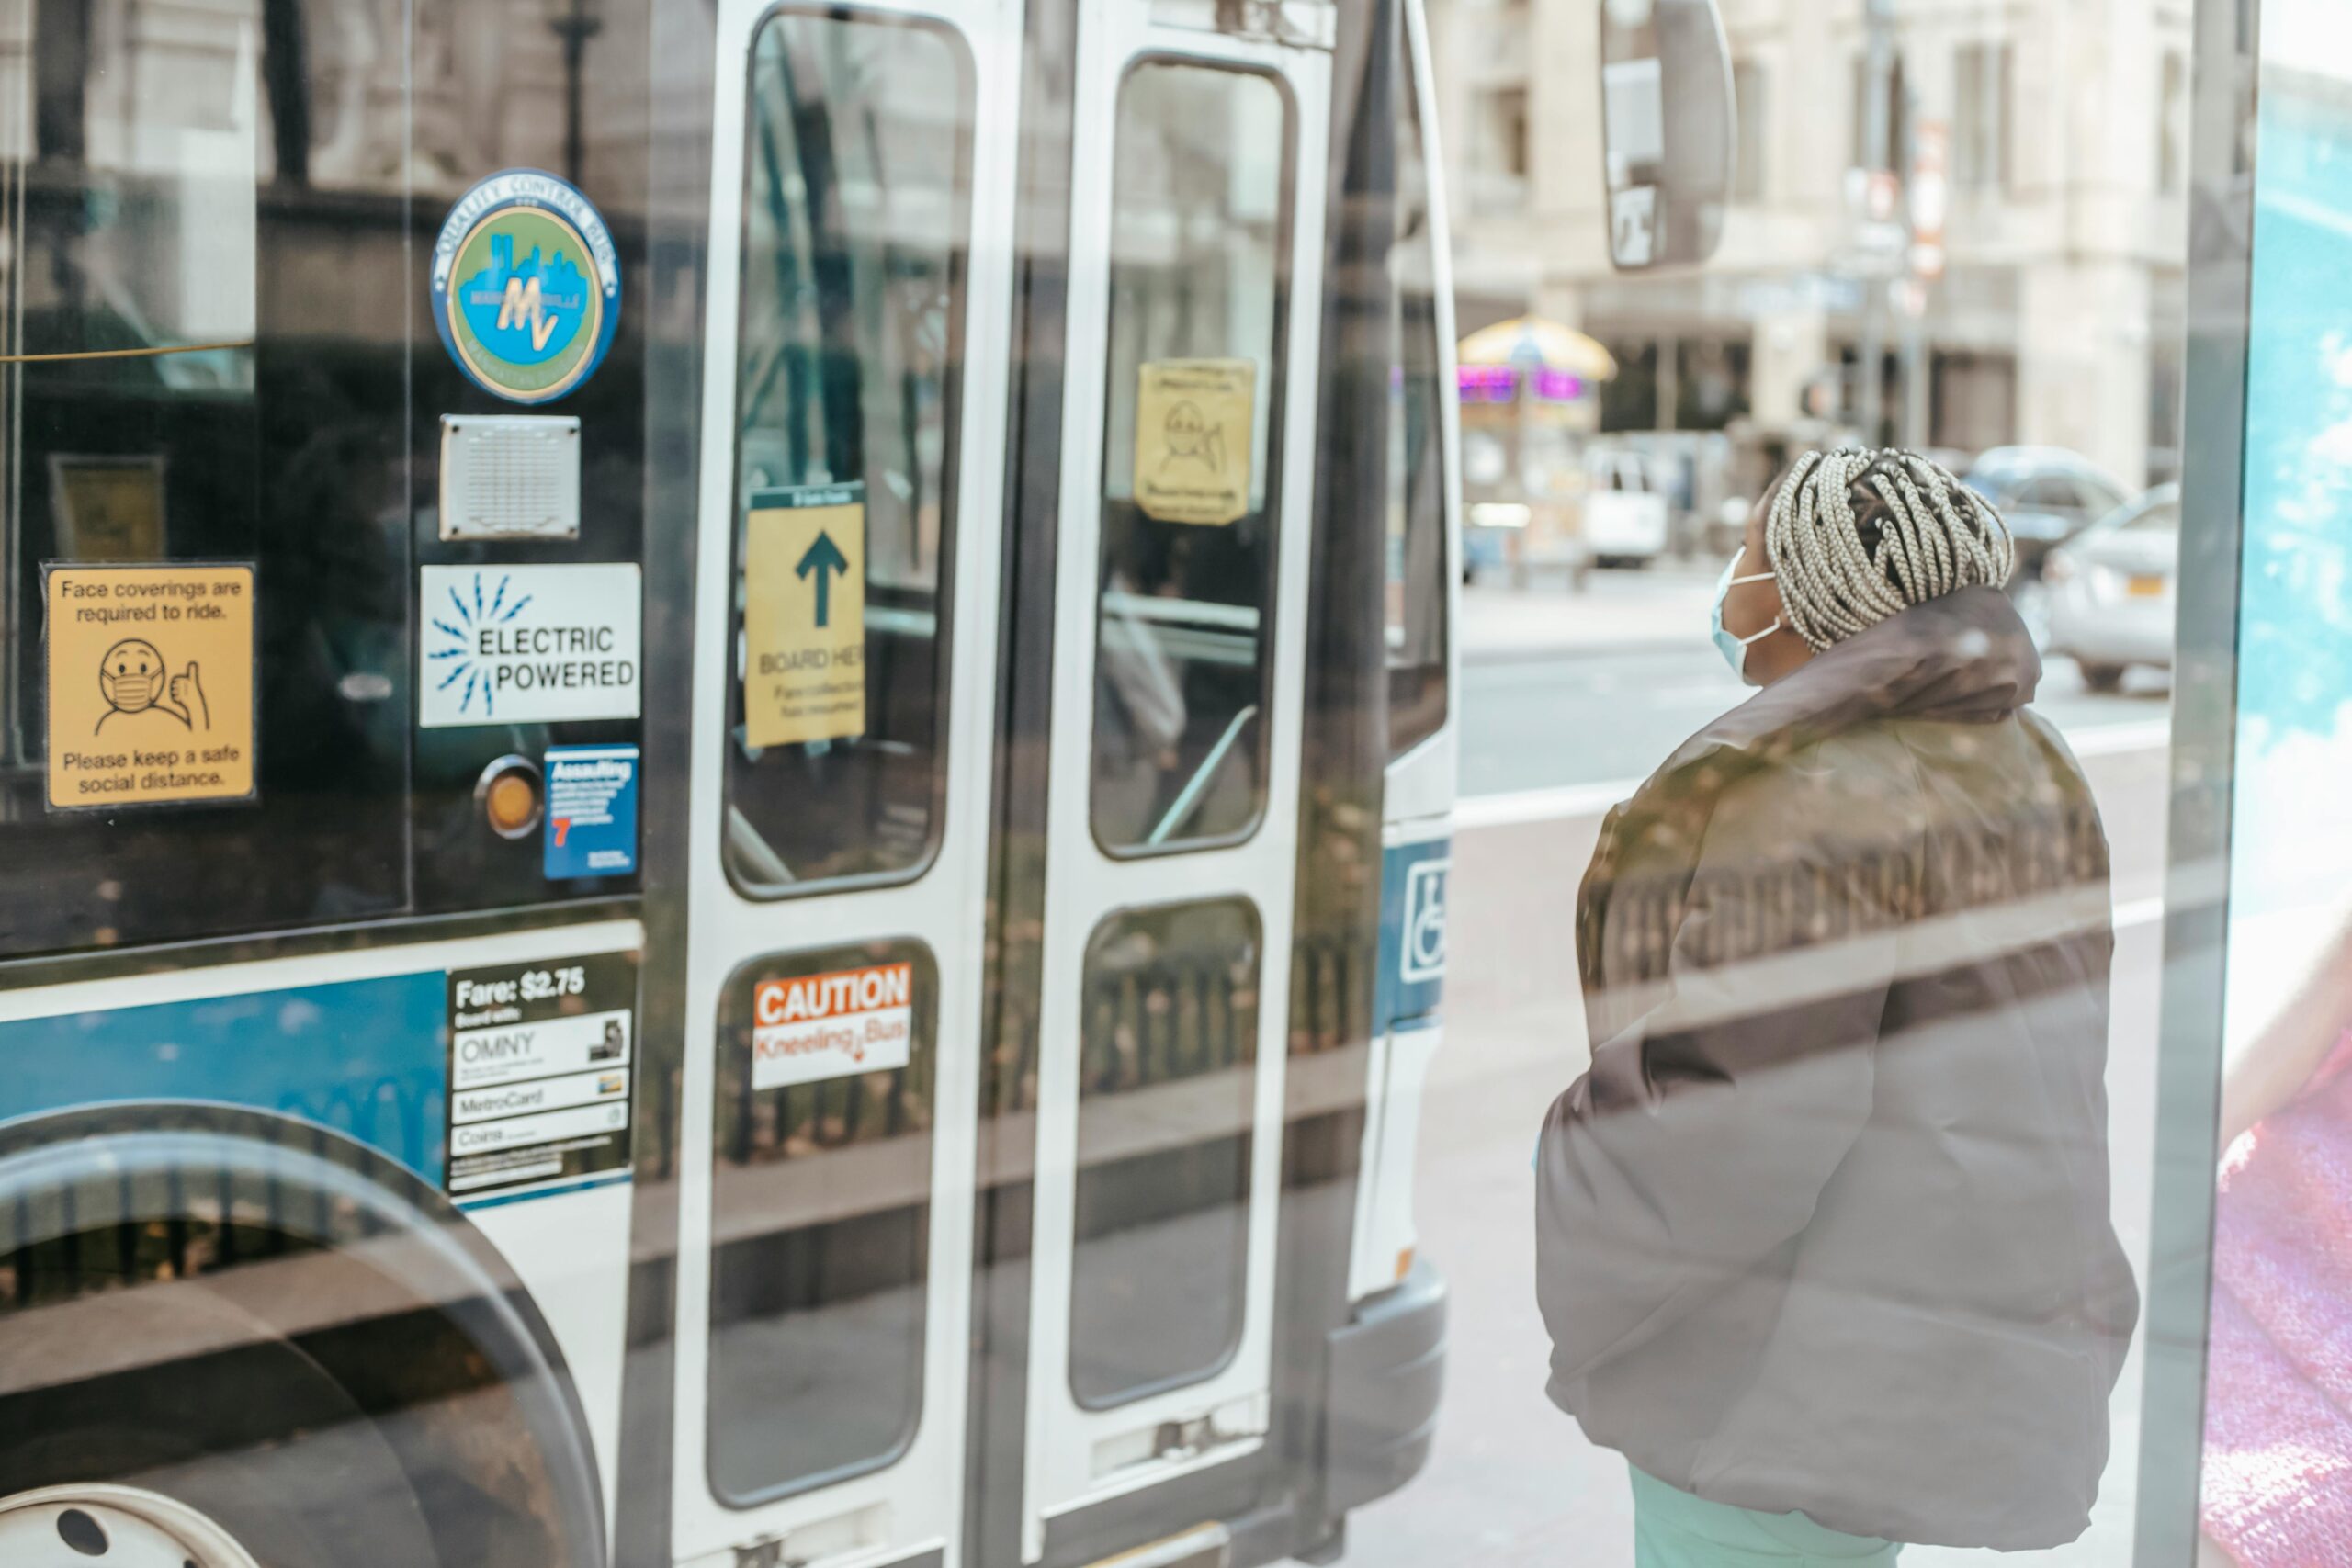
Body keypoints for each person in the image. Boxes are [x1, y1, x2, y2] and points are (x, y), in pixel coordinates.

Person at [1534, 447, 2139, 1565]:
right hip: (1911, 1336)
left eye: (1751, 557)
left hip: (1773, 1374)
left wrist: (1571, 1158)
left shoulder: (1810, 789)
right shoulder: (2025, 753)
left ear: (1811, 594)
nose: (1732, 584)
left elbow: (1728, 1131)